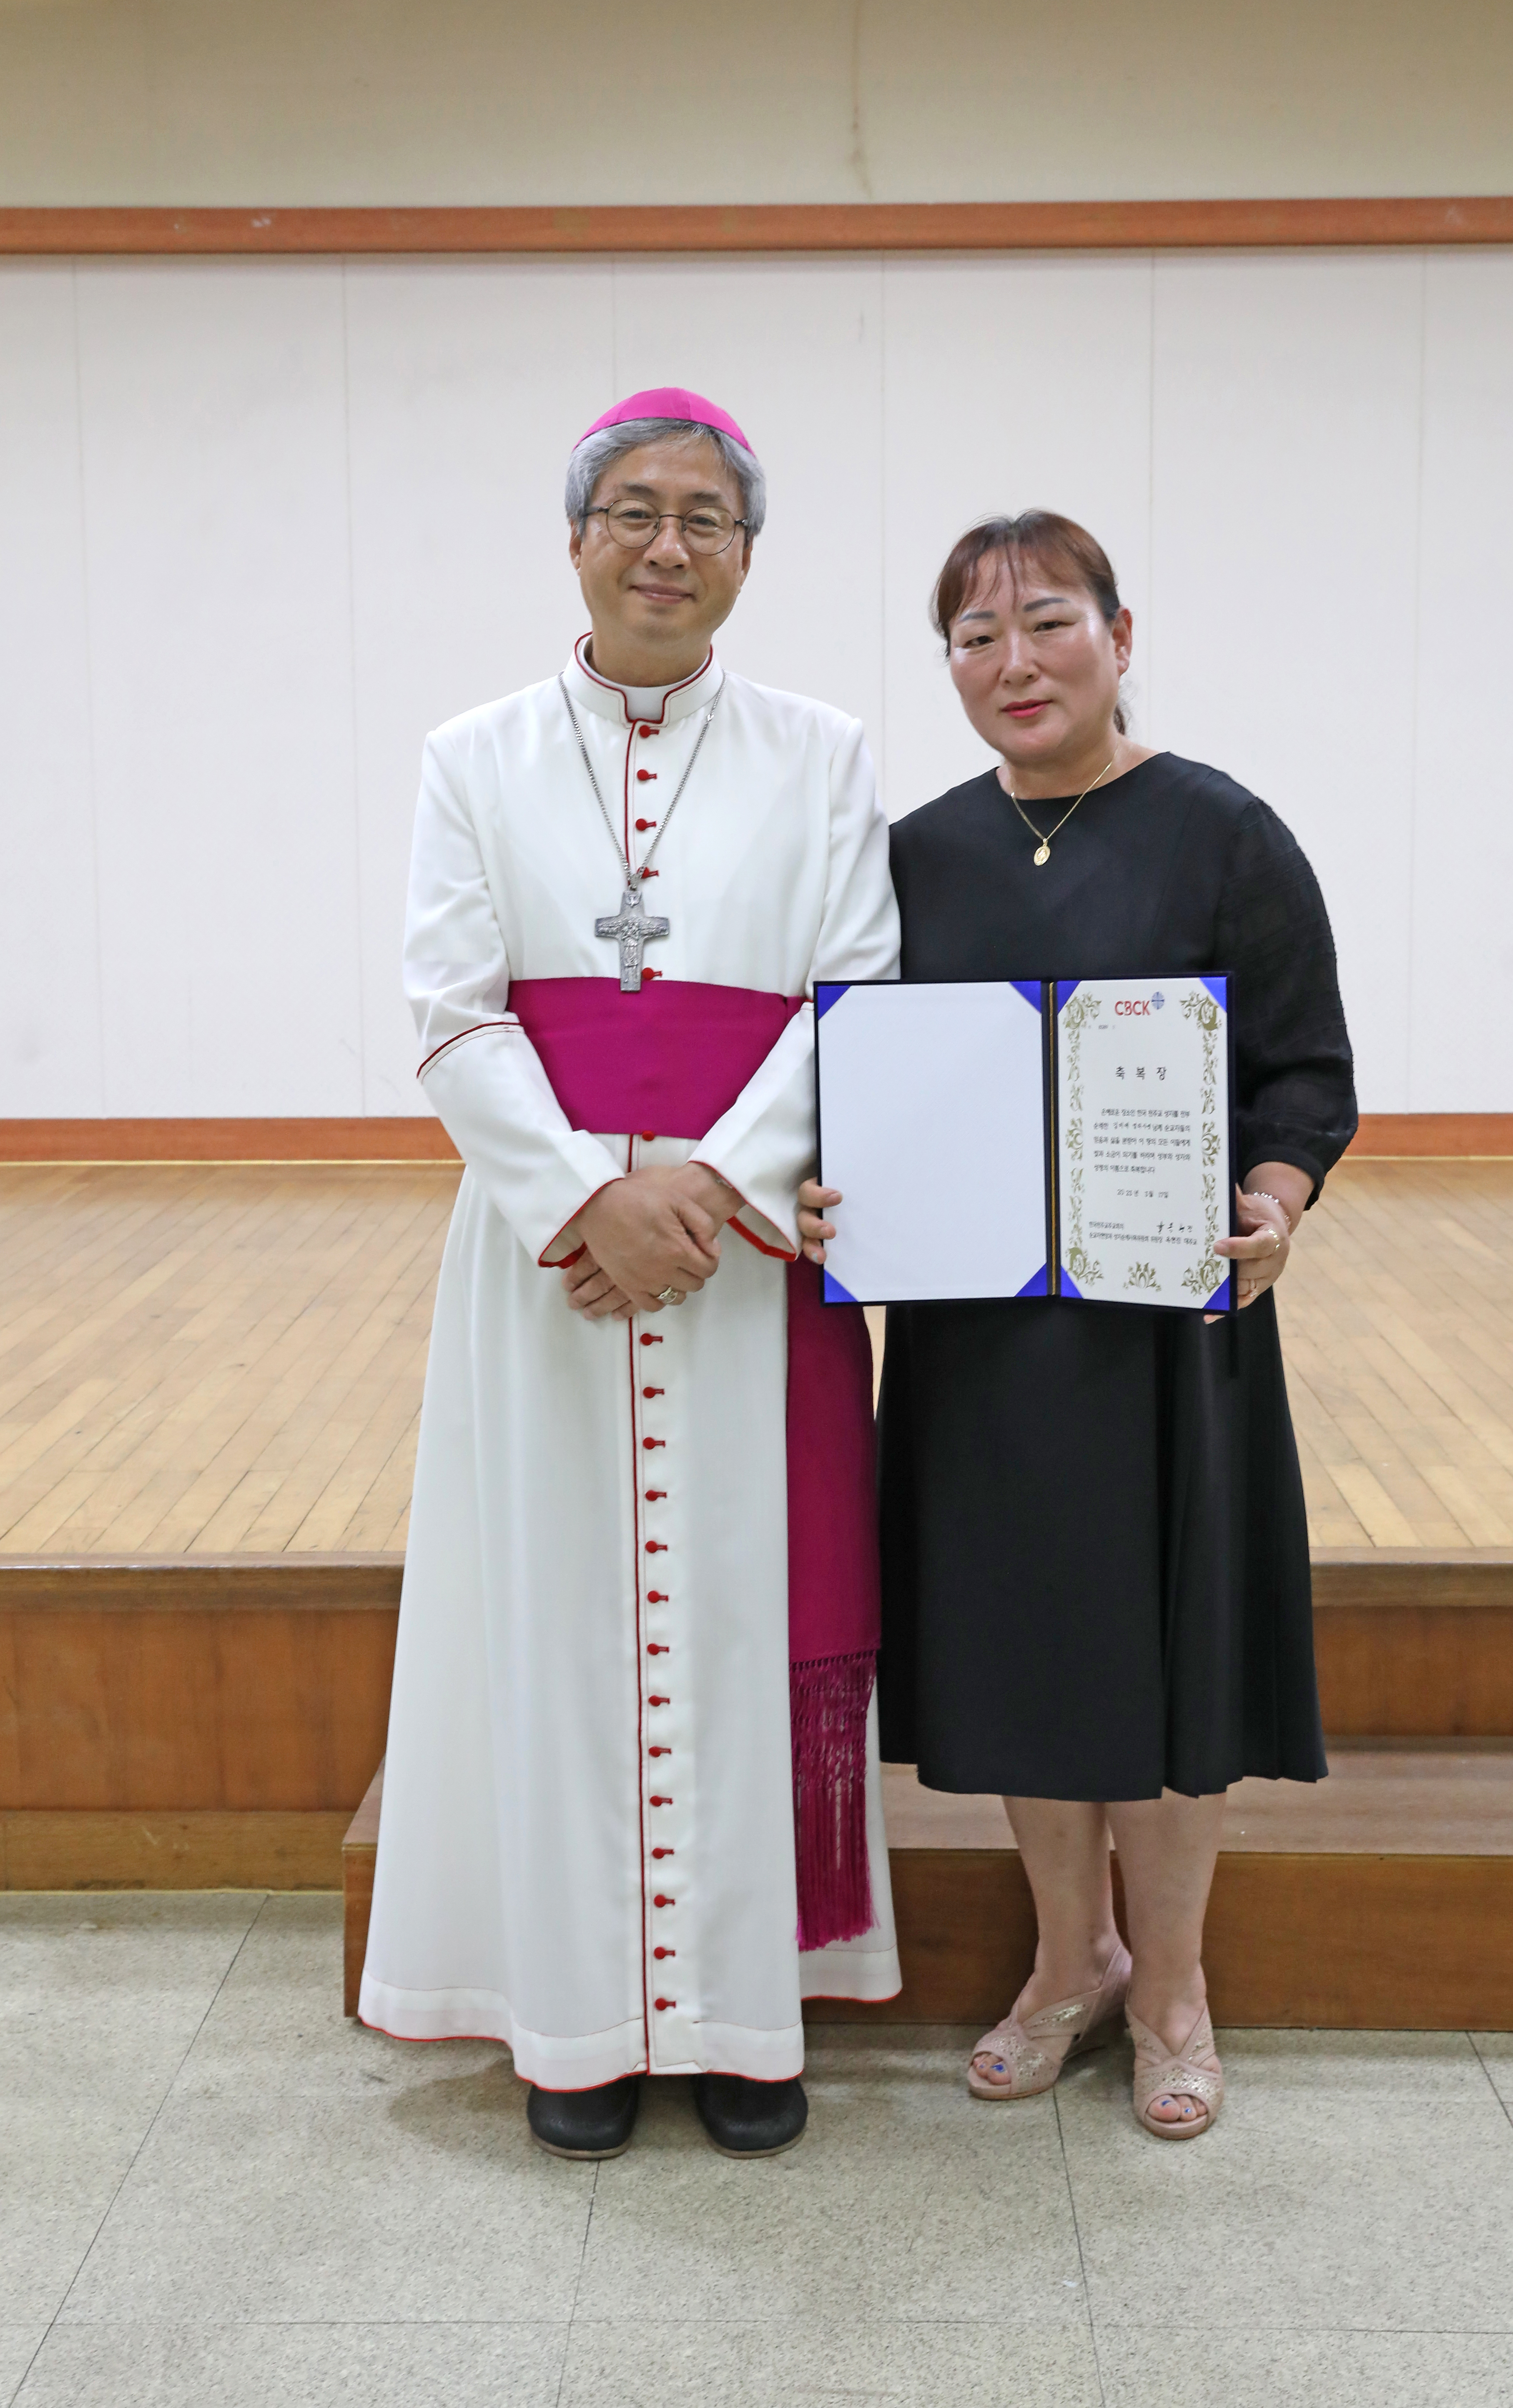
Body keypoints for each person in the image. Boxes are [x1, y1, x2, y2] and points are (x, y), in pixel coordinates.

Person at [361, 388, 903, 2164]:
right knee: (559, 1620)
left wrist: (709, 1189)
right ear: (578, 534)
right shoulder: (474, 755)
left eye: (709, 520)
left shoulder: (823, 753)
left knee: (744, 1619)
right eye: (637, 512)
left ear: (748, 555)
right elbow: (449, 1013)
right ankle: (574, 2023)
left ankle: (750, 2021)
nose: (670, 546)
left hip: (742, 1273)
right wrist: (591, 1199)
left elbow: (858, 998)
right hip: (549, 1274)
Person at [800, 510, 1356, 2139]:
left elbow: (1305, 1074)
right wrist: (839, 1189)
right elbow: (866, 1080)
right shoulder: (917, 852)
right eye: (976, 638)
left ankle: (1172, 1984)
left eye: (1048, 622)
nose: (1014, 662)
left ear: (1122, 632)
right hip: (983, 1341)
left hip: (1167, 1339)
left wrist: (1271, 1201)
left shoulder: (1223, 833)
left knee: (1167, 1665)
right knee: (1029, 1650)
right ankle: (1069, 1960)